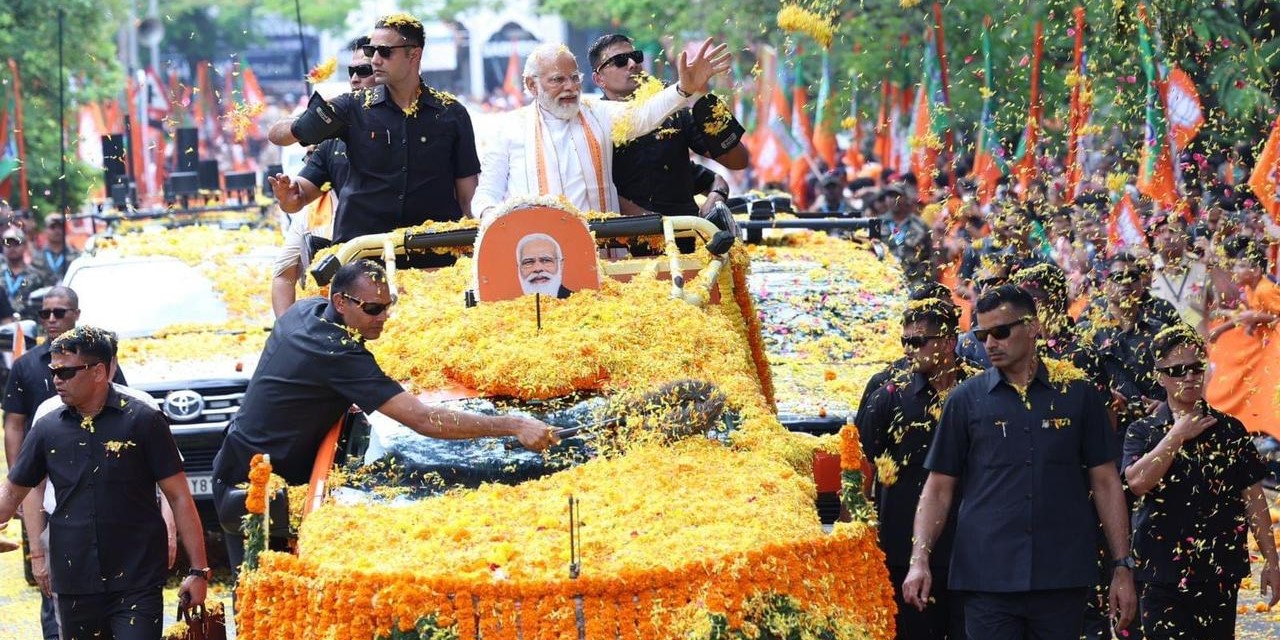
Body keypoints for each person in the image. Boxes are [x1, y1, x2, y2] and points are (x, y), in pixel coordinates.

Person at [212, 259, 558, 570]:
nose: (384, 318)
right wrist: (513, 424)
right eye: (374, 308)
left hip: (244, 456)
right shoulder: (338, 353)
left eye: (388, 306)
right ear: (340, 302)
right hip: (255, 485)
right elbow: (423, 420)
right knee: (260, 597)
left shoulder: (307, 311)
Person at [904, 285, 1136, 639]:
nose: (990, 344)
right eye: (981, 335)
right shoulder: (966, 400)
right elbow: (938, 487)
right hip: (987, 577)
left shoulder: (1078, 394)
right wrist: (919, 559)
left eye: (1000, 332)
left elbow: (1105, 481)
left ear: (1032, 327)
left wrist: (1122, 565)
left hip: (1061, 575)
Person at [0, 326, 209, 638]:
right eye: (54, 370)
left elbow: (179, 497)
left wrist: (198, 571)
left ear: (99, 372)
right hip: (75, 582)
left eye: (67, 372)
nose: (57, 379)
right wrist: (37, 555)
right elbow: (12, 492)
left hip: (137, 580)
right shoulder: (46, 428)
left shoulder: (143, 420)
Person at [1124, 324, 1280, 638]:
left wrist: (1272, 560)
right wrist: (1175, 437)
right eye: (1178, 370)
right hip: (1161, 573)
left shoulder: (1229, 429)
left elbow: (1253, 498)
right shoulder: (1143, 430)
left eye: (1196, 368)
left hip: (1219, 570)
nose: (1189, 377)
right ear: (1161, 377)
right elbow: (1137, 482)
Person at [267, 14, 481, 243]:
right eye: (371, 52)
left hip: (436, 253)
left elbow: (468, 198)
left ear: (414, 54)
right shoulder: (350, 107)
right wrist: (305, 125)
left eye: (385, 52)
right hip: (363, 254)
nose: (376, 60)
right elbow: (277, 136)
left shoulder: (452, 113)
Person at [470, 39, 731, 218]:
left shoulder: (598, 113)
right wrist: (492, 217)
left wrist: (682, 89)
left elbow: (643, 114)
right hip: (539, 259)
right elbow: (486, 194)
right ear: (531, 85)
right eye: (558, 80)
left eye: (574, 78)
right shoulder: (506, 129)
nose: (570, 87)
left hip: (604, 255)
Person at [2, 287, 126, 639]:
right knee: (50, 580)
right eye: (46, 314)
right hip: (48, 490)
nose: (52, 320)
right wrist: (21, 488)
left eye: (60, 312)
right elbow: (13, 426)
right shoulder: (28, 369)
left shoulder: (101, 363)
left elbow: (124, 409)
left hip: (101, 495)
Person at [859, 298, 976, 639]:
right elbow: (861, 466)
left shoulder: (982, 391)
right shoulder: (889, 396)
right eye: (904, 341)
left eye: (918, 340)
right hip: (905, 548)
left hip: (973, 547)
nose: (909, 349)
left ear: (949, 341)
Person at [269, 36, 379, 317]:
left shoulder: (417, 123)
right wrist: (287, 336)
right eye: (351, 72)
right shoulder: (332, 142)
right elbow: (283, 275)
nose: (355, 79)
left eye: (363, 71)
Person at [588, 34, 747, 218]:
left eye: (636, 56)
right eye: (620, 61)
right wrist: (654, 224)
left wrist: (715, 119)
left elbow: (738, 162)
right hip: (624, 240)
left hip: (688, 238)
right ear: (599, 79)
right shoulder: (593, 123)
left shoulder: (673, 111)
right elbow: (598, 192)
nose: (633, 64)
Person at [1079, 252, 1184, 428]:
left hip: (1158, 427)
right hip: (1108, 429)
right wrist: (1104, 394)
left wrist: (1167, 406)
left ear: (1142, 284)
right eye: (1118, 277)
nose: (1126, 282)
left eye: (1133, 276)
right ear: (1106, 284)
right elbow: (1073, 382)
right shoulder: (1087, 332)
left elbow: (1185, 376)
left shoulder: (1161, 332)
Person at [1205, 236, 1280, 440]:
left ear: (1255, 270)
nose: (1236, 271)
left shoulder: (1266, 289)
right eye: (1236, 266)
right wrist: (1225, 327)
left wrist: (1256, 317)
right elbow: (1247, 314)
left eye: (1241, 267)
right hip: (1264, 345)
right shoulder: (1249, 288)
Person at [1147, 212, 1206, 327]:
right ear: (1153, 241)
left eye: (1173, 231)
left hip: (1203, 337)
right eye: (1160, 232)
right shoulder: (1145, 272)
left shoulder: (1202, 264)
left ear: (1185, 237)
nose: (1167, 237)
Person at [880, 185, 933, 285]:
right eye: (889, 196)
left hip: (914, 280)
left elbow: (930, 255)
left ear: (906, 198)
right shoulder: (878, 224)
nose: (893, 200)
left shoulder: (920, 225)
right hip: (885, 278)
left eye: (897, 196)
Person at [2, 227, 52, 320]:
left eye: (16, 244)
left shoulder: (38, 276)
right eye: (8, 244)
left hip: (30, 326)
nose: (12, 248)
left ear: (24, 246)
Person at [517, 233, 573, 298]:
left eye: (546, 260)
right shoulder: (512, 307)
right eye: (528, 262)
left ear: (560, 265)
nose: (538, 268)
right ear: (519, 268)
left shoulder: (578, 304)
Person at [31, 213, 79, 282]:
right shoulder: (37, 257)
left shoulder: (75, 255)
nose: (57, 231)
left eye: (60, 227)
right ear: (45, 230)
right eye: (53, 227)